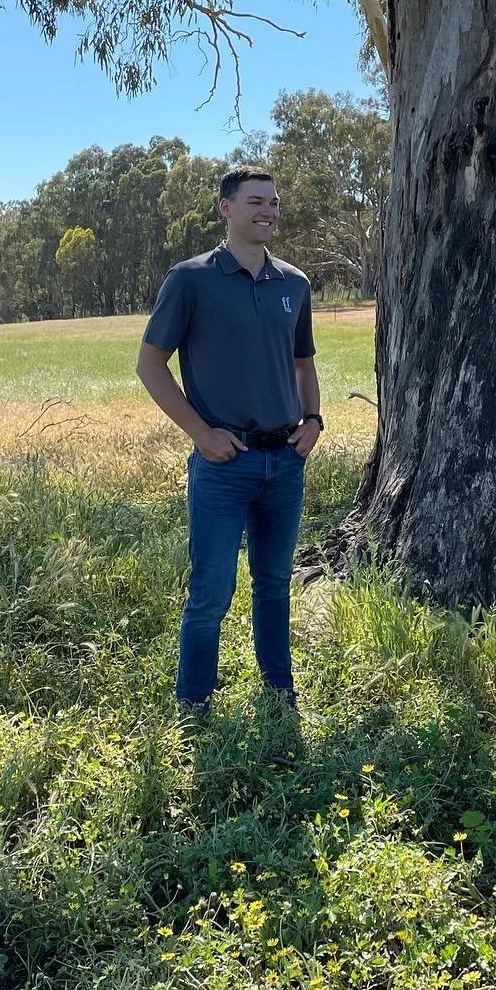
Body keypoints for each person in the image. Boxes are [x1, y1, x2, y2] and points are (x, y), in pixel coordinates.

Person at [136, 166, 323, 717]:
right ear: (226, 208)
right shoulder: (191, 279)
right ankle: (194, 707)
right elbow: (150, 365)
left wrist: (313, 420)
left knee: (274, 584)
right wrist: (201, 434)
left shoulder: (294, 283)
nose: (266, 210)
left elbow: (303, 363)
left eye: (273, 202)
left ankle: (279, 695)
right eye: (254, 201)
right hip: (224, 465)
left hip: (285, 462)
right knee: (211, 592)